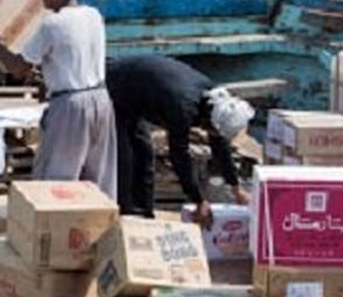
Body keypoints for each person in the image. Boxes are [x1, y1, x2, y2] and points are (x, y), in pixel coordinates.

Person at [0, 0, 116, 196]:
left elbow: (19, 68)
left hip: (70, 104)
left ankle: (55, 230)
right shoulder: (93, 15)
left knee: (56, 182)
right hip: (100, 100)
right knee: (98, 179)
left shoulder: (52, 24)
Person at [106, 55, 253, 227]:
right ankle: (127, 220)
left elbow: (219, 144)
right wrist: (198, 200)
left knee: (145, 155)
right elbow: (179, 157)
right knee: (127, 159)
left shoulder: (215, 98)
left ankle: (145, 218)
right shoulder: (183, 108)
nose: (213, 133)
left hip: (136, 93)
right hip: (114, 85)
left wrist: (236, 188)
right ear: (211, 121)